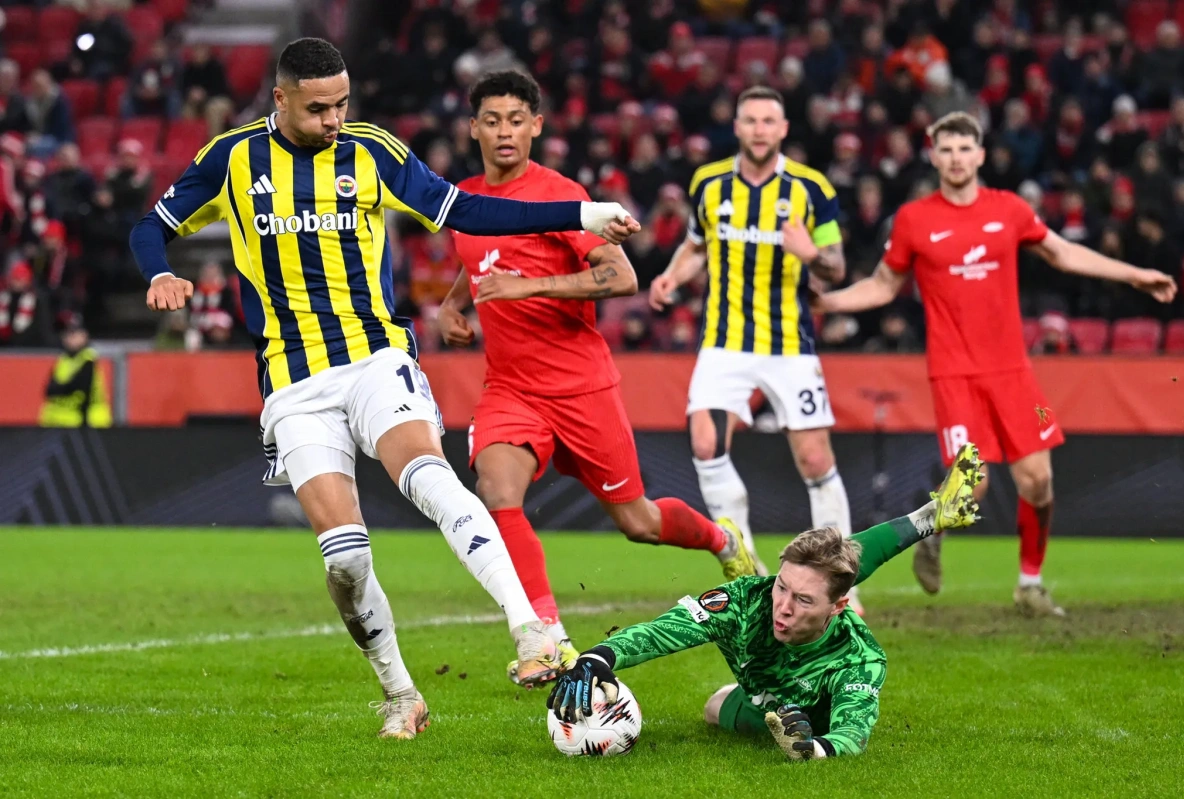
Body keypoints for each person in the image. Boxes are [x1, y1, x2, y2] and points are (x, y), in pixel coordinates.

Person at [127, 38, 640, 740]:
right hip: (293, 380)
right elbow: (149, 228)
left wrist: (580, 215)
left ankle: (533, 630)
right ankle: (401, 694)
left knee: (429, 478)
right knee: (345, 559)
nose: (334, 119)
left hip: (374, 357)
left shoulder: (371, 151)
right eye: (318, 108)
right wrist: (159, 272)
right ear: (280, 99)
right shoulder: (231, 159)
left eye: (342, 104)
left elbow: (465, 210)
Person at [436, 70, 758, 680]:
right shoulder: (466, 201)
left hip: (581, 388)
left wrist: (530, 287)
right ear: (473, 128)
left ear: (536, 126)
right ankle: (545, 638)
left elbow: (622, 276)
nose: (504, 132)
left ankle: (723, 542)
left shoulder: (559, 196)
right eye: (492, 121)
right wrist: (454, 306)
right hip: (510, 389)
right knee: (497, 493)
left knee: (639, 522)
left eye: (516, 120)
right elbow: (478, 259)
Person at [816, 112, 1176, 616]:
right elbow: (882, 285)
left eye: (965, 148)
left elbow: (1062, 253)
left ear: (981, 154)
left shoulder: (1009, 209)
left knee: (1039, 481)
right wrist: (827, 303)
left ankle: (1029, 584)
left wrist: (1134, 275)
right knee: (973, 484)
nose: (956, 158)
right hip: (954, 374)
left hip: (1013, 372)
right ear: (933, 156)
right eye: (947, 149)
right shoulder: (915, 219)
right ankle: (934, 532)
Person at [549, 444, 984, 760]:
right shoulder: (748, 600)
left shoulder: (859, 656)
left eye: (803, 600)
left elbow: (852, 734)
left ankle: (926, 521)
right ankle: (926, 519)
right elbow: (666, 631)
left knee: (721, 705)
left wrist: (812, 748)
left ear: (839, 608)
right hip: (758, 691)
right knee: (714, 707)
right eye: (782, 588)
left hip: (800, 719)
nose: (784, 607)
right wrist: (599, 657)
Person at [649, 86, 861, 613]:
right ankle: (746, 567)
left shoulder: (810, 188)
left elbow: (836, 264)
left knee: (815, 458)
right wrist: (672, 276)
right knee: (705, 442)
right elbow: (696, 246)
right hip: (724, 342)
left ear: (783, 129)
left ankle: (841, 583)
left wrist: (810, 253)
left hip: (790, 344)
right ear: (738, 127)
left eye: (769, 121)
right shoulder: (709, 183)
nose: (760, 129)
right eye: (751, 120)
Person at [39, 318, 112, 428]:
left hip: (86, 423)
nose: (68, 338)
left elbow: (79, 388)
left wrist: (60, 389)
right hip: (57, 422)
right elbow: (49, 390)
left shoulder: (88, 359)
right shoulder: (63, 360)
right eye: (65, 334)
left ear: (84, 335)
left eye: (73, 334)